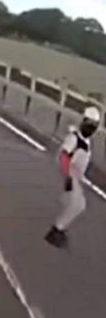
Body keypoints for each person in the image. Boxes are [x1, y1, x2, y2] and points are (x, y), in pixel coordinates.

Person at [45, 105, 101, 248]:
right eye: (89, 124)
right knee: (77, 203)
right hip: (69, 173)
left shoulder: (86, 141)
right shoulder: (74, 138)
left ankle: (59, 228)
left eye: (94, 126)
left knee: (78, 204)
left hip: (75, 175)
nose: (91, 129)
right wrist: (68, 178)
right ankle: (56, 230)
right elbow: (64, 156)